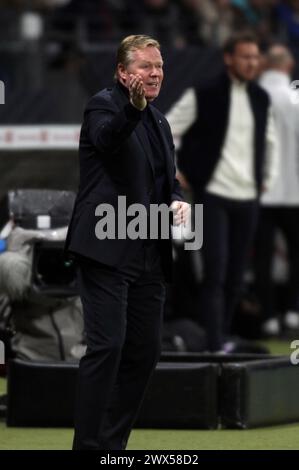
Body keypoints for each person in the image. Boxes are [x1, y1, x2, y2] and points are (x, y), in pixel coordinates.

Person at [64, 34, 189, 450]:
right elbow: (107, 139)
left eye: (159, 66)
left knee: (145, 351)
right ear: (122, 73)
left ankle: (110, 448)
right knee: (108, 346)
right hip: (105, 247)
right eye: (145, 66)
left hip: (149, 250)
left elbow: (167, 180)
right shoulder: (104, 105)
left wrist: (177, 202)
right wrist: (133, 110)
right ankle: (88, 448)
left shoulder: (161, 120)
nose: (154, 73)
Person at [166, 32, 278, 352]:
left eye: (256, 57)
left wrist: (264, 177)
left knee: (234, 277)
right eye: (245, 57)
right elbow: (166, 127)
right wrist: (172, 169)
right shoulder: (204, 94)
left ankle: (221, 337)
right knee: (214, 273)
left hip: (248, 195)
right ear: (228, 58)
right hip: (212, 194)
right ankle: (213, 343)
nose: (252, 63)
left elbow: (268, 139)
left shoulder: (260, 97)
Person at [255, 44, 299, 335]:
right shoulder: (295, 99)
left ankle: (268, 316)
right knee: (297, 254)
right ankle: (293, 311)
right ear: (289, 65)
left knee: (261, 256)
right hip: (293, 192)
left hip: (257, 192)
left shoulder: (251, 97)